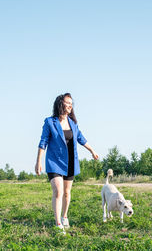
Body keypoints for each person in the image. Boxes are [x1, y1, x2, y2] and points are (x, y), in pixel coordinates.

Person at [35, 93, 99, 233]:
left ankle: (65, 216)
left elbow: (81, 138)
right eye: (67, 103)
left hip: (70, 161)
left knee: (66, 192)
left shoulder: (73, 123)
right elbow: (43, 142)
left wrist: (92, 151)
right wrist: (38, 161)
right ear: (60, 104)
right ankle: (58, 223)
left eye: (71, 103)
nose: (70, 105)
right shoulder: (50, 122)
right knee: (58, 191)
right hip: (54, 162)